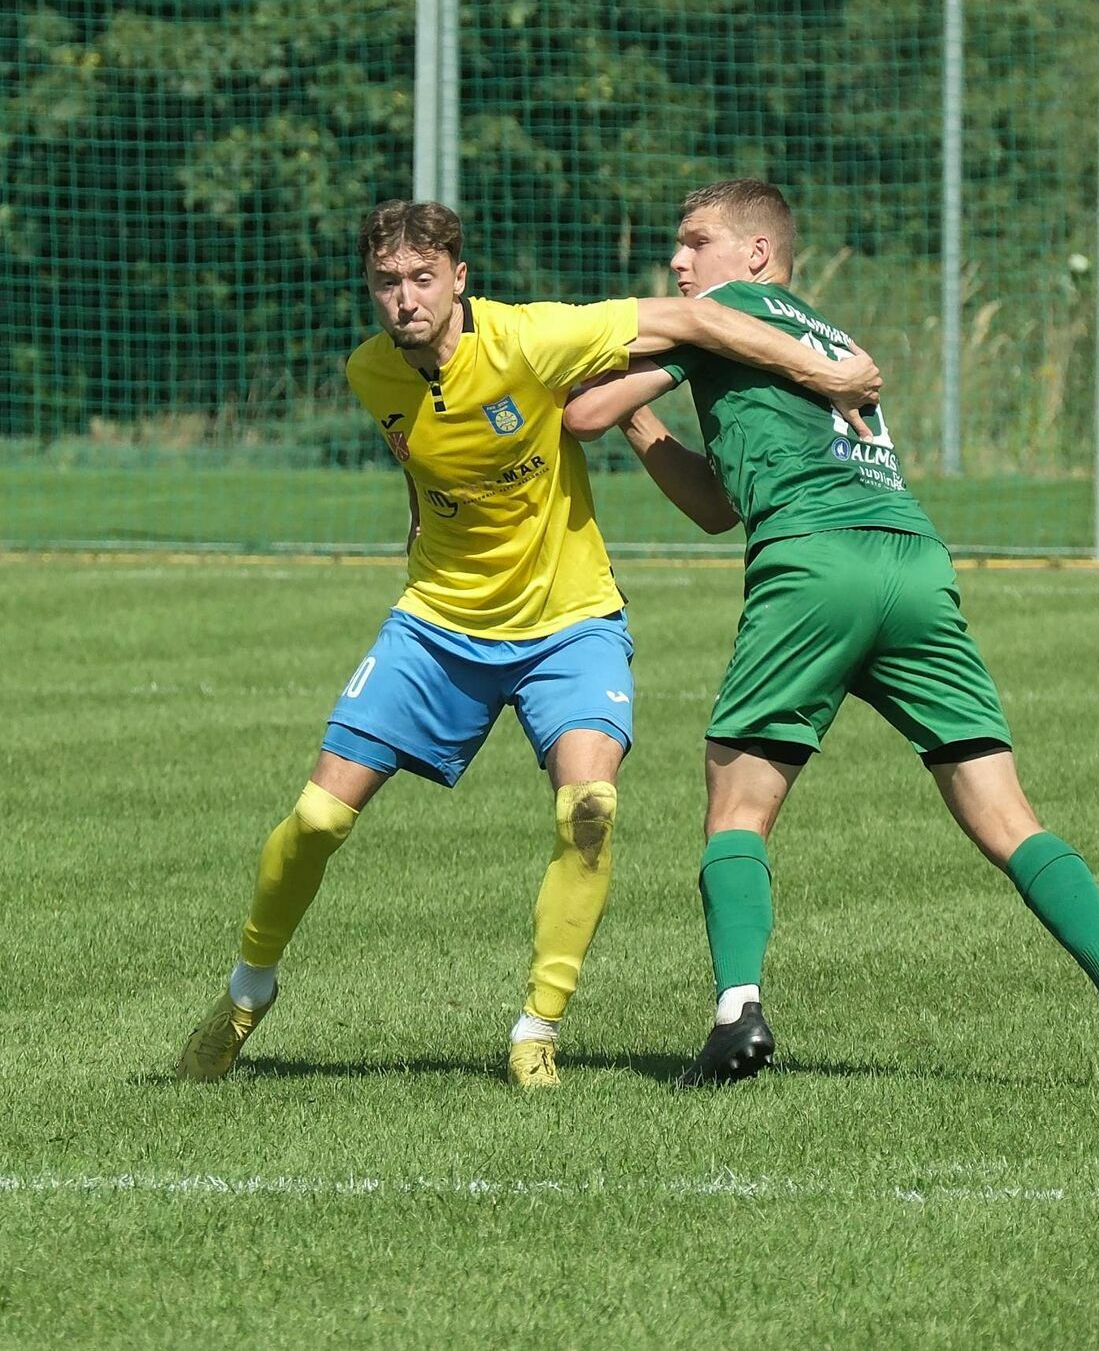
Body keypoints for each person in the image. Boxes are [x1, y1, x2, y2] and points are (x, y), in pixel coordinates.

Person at [177, 198, 882, 1089]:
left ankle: (536, 1030)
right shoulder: (371, 374)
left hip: (570, 623)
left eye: (423, 279)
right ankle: (246, 994)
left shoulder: (532, 340)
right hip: (437, 624)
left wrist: (830, 372)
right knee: (317, 818)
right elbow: (428, 472)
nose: (406, 300)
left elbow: (698, 316)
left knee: (588, 810)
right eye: (387, 283)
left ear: (459, 279)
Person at [563, 178, 1099, 1089]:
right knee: (1006, 814)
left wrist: (595, 391)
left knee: (738, 808)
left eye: (694, 241)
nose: (677, 260)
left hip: (816, 564)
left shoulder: (726, 311)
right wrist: (646, 417)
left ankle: (737, 1010)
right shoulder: (829, 337)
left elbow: (579, 412)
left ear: (753, 255)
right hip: (914, 562)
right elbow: (713, 506)